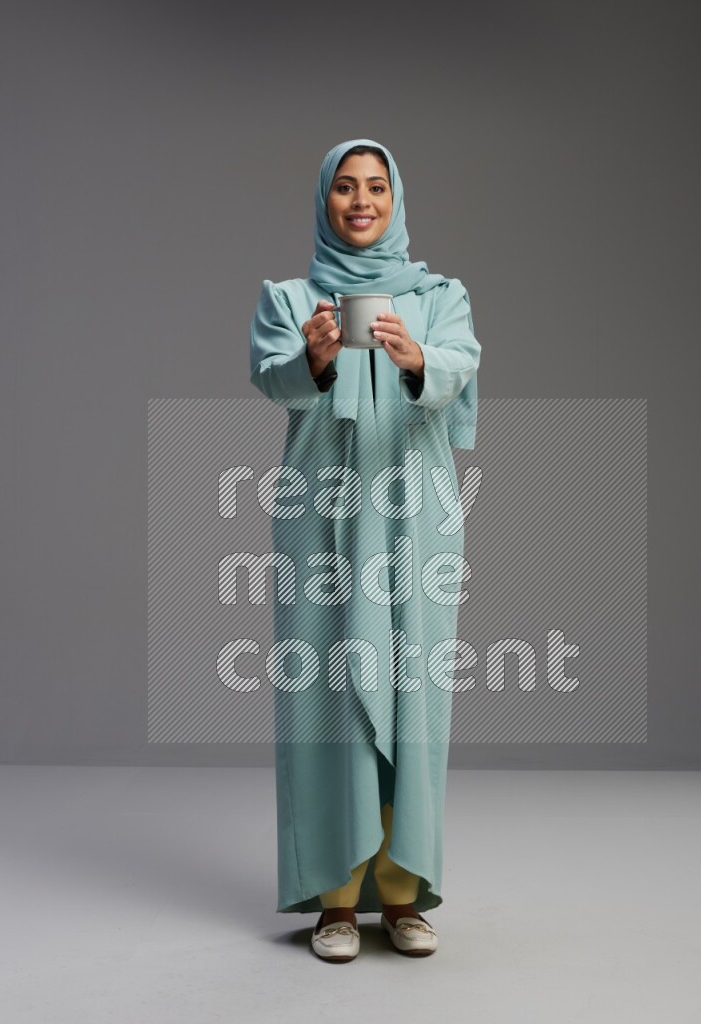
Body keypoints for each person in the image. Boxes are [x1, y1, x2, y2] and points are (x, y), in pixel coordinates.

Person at [249, 138, 480, 962]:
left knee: (413, 697)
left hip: (415, 523)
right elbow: (268, 374)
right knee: (329, 700)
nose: (360, 200)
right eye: (345, 187)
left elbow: (462, 364)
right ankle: (336, 904)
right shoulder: (290, 297)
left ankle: (405, 893)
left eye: (375, 187)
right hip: (321, 521)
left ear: (395, 198)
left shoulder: (438, 296)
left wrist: (419, 359)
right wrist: (313, 359)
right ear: (325, 199)